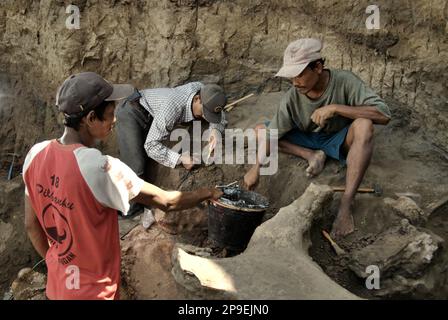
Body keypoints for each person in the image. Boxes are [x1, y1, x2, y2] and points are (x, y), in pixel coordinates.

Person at [23, 72, 222, 300]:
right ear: (90, 118)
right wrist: (208, 192)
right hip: (96, 293)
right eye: (109, 115)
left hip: (57, 289)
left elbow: (31, 225)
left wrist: (55, 261)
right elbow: (166, 201)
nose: (115, 120)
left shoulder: (35, 154)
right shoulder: (101, 167)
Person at [243, 38, 391, 238]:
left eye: (299, 74)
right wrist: (256, 169)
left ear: (318, 67)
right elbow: (272, 134)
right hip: (307, 138)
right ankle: (312, 155)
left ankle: (346, 205)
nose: (295, 82)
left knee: (364, 126)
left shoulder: (345, 81)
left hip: (339, 139)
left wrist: (336, 108)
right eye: (291, 76)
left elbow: (383, 115)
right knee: (261, 130)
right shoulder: (292, 98)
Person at [115, 81, 227, 216]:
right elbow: (151, 146)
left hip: (154, 113)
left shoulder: (204, 91)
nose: (205, 117)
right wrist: (180, 158)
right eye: (205, 113)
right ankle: (130, 212)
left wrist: (216, 130)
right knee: (135, 166)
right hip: (132, 112)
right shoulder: (173, 107)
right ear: (197, 99)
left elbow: (218, 111)